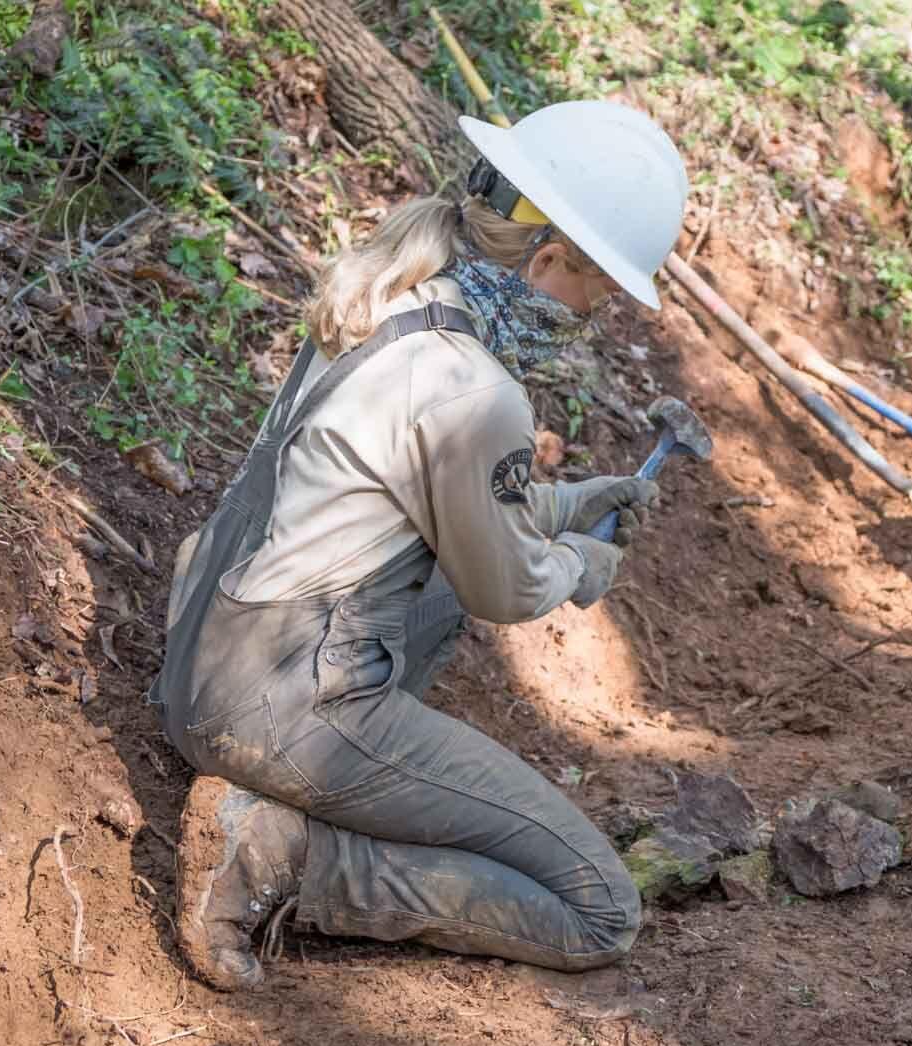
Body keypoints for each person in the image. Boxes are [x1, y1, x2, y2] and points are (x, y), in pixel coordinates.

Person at [151, 100, 689, 990]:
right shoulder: (473, 391)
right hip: (275, 705)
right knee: (600, 907)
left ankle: (331, 787)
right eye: (600, 295)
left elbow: (415, 489)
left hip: (205, 652)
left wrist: (559, 503)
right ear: (551, 261)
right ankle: (277, 853)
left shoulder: (394, 289)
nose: (596, 319)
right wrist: (582, 562)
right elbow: (505, 590)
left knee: (425, 591)